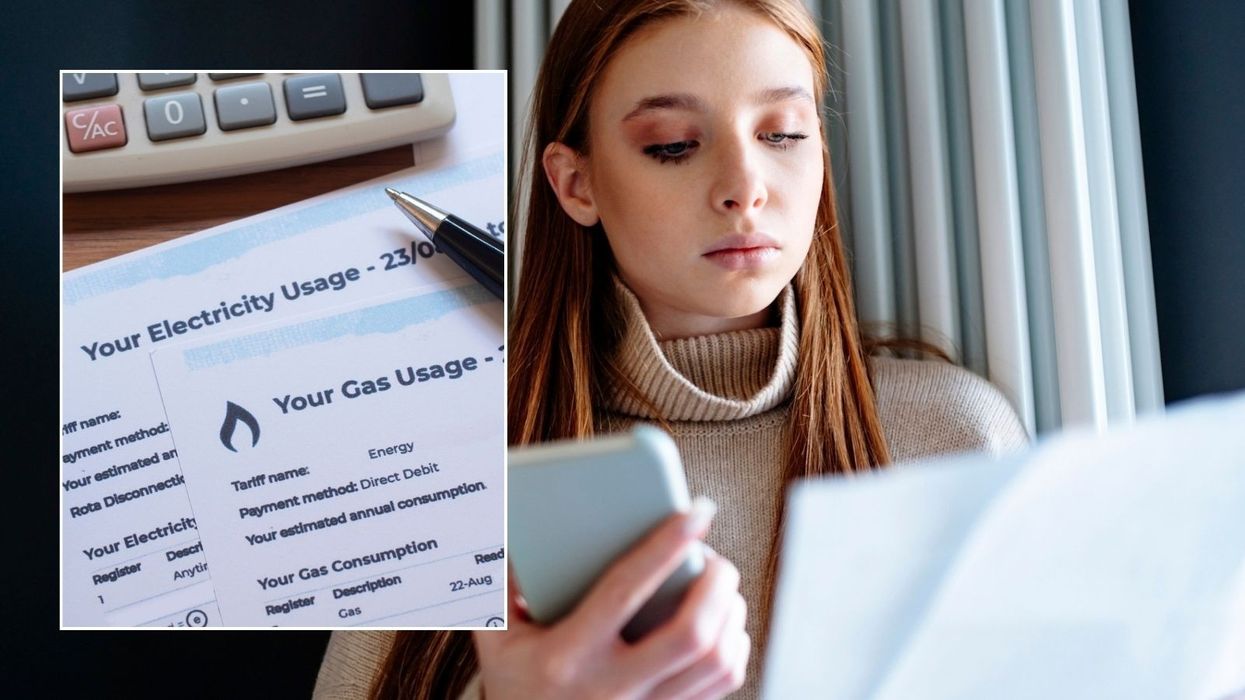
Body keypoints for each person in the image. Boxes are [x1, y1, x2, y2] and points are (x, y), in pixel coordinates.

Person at [314, 0, 1028, 698]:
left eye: (783, 134)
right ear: (575, 183)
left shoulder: (955, 436)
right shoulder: (445, 475)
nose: (744, 189)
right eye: (673, 146)